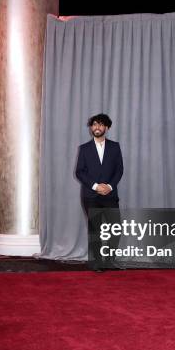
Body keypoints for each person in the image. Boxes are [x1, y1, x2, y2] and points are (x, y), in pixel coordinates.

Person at [75, 114, 123, 271]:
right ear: (91, 127)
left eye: (101, 125)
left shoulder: (115, 147)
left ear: (107, 128)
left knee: (115, 228)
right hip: (91, 196)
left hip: (110, 195)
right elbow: (79, 172)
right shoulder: (84, 148)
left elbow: (119, 170)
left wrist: (109, 186)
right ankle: (96, 262)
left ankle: (109, 261)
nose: (97, 127)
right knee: (95, 230)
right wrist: (96, 186)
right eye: (94, 124)